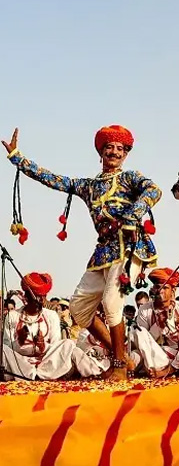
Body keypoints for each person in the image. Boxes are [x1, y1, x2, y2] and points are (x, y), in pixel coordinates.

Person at [2, 126, 162, 380]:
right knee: (78, 309)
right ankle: (123, 357)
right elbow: (53, 179)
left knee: (111, 303)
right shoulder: (88, 186)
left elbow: (153, 190)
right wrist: (18, 158)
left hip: (129, 247)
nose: (114, 152)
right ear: (101, 152)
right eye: (109, 147)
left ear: (126, 154)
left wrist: (133, 216)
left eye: (120, 149)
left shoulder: (131, 177)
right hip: (103, 252)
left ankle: (119, 365)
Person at [2, 272, 107, 380]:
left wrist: (43, 346)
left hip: (46, 365)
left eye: (44, 296)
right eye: (37, 296)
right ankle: (32, 375)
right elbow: (8, 348)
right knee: (2, 349)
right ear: (27, 296)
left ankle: (94, 374)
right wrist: (19, 341)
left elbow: (55, 348)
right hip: (20, 365)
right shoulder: (12, 316)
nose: (42, 301)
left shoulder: (51, 315)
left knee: (68, 344)